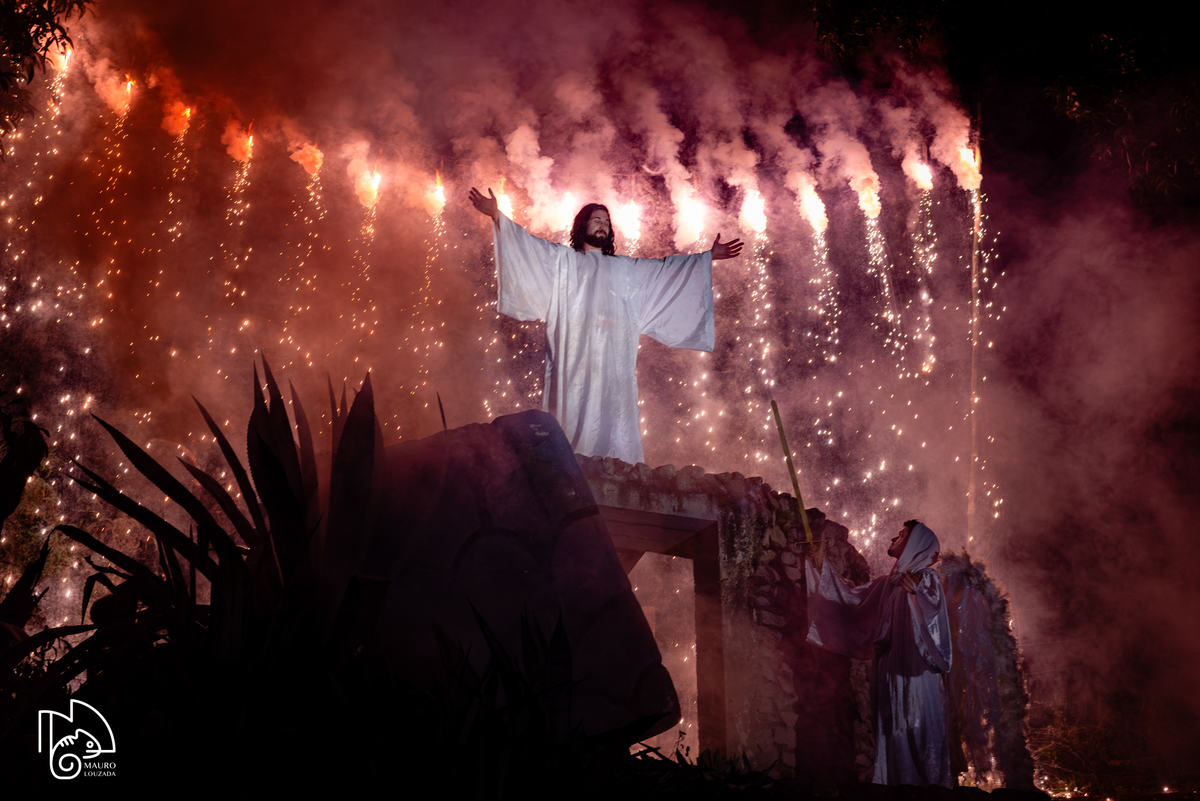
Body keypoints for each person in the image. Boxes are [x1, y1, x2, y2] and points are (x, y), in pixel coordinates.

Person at [469, 187, 743, 464]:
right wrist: (497, 216)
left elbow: (666, 270)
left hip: (614, 362)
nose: (603, 226)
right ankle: (570, 465)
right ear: (583, 225)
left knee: (615, 414)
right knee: (573, 408)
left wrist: (706, 257)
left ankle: (620, 466)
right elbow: (529, 247)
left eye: (607, 222)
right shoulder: (564, 262)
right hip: (574, 358)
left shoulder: (627, 269)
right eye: (597, 220)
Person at [805, 519, 953, 787]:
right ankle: (898, 784)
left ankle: (927, 787)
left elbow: (934, 619)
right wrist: (819, 568)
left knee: (917, 726)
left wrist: (916, 594)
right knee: (893, 726)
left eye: (901, 536)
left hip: (915, 672)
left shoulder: (925, 577)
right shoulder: (889, 583)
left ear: (915, 544)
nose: (892, 540)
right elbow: (853, 598)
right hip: (889, 670)